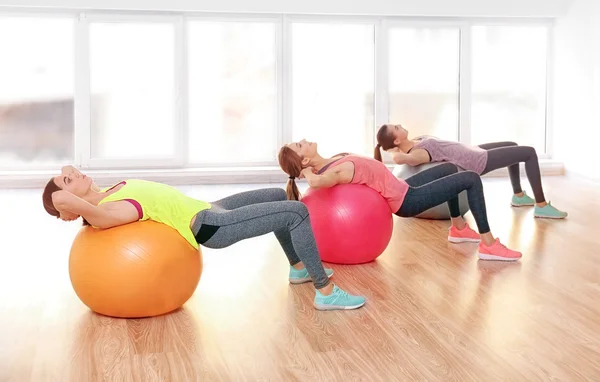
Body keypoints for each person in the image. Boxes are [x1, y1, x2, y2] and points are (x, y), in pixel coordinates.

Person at [41, 165, 365, 311]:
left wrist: (70, 185)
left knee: (276, 193)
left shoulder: (110, 191)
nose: (75, 172)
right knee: (295, 211)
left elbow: (70, 187)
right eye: (68, 179)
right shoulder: (113, 208)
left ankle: (298, 268)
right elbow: (74, 207)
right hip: (212, 225)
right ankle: (325, 291)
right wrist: (66, 206)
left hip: (211, 207)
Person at [278, 140, 522, 262]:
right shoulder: (330, 173)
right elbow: (317, 184)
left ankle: (459, 229)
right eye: (300, 145)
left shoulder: (333, 160)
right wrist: (305, 172)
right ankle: (488, 245)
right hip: (407, 199)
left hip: (403, 186)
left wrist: (306, 167)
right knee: (470, 179)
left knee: (449, 167)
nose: (304, 139)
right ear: (305, 162)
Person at [374, 124, 567, 219]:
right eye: (396, 128)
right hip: (475, 161)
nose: (400, 125)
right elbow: (411, 159)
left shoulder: (415, 141)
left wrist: (397, 149)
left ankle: (518, 195)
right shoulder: (417, 152)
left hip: (473, 150)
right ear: (396, 141)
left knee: (513, 145)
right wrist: (398, 155)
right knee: (529, 153)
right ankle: (541, 206)